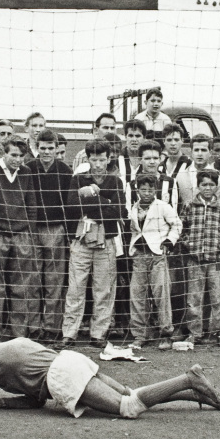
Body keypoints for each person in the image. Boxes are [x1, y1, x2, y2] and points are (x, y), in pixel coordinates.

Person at [0, 338, 220, 416]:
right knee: (129, 393)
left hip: (61, 375)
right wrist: (5, 403)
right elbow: (37, 402)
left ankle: (188, 379)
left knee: (129, 408)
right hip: (69, 360)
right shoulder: (6, 361)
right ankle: (195, 393)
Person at [62, 139, 126, 348]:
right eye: (94, 159)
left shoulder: (115, 181)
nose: (98, 164)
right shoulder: (78, 178)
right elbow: (72, 205)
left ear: (108, 159)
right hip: (81, 239)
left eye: (102, 159)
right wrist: (104, 201)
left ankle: (98, 333)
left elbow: (118, 212)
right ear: (88, 159)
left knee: (103, 288)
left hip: (106, 240)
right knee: (76, 287)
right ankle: (69, 333)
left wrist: (90, 200)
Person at [0, 137, 38, 339]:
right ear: (4, 153)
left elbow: (32, 204)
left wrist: (28, 232)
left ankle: (19, 333)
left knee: (20, 286)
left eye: (21, 156)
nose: (17, 159)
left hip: (21, 235)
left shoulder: (26, 173)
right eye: (13, 155)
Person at [22, 129, 72, 341]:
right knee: (33, 280)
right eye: (42, 148)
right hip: (33, 228)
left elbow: (70, 205)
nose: (46, 152)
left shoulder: (65, 171)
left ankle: (51, 328)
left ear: (56, 148)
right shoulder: (28, 169)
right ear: (36, 147)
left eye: (50, 148)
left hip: (55, 229)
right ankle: (33, 327)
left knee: (54, 281)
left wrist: (67, 232)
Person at [179, 170, 220, 348]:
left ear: (216, 187)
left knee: (219, 297)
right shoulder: (189, 206)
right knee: (194, 298)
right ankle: (195, 333)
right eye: (204, 184)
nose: (208, 188)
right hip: (194, 260)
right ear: (198, 186)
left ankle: (219, 332)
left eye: (211, 185)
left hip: (215, 261)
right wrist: (190, 245)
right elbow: (181, 229)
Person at [127, 174, 182, 349]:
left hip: (157, 256)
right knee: (138, 295)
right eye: (143, 189)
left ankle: (165, 332)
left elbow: (177, 225)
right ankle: (140, 334)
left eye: (151, 189)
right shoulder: (134, 208)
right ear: (137, 190)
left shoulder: (163, 207)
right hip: (140, 257)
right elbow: (134, 230)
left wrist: (169, 241)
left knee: (161, 293)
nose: (147, 193)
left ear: (155, 190)